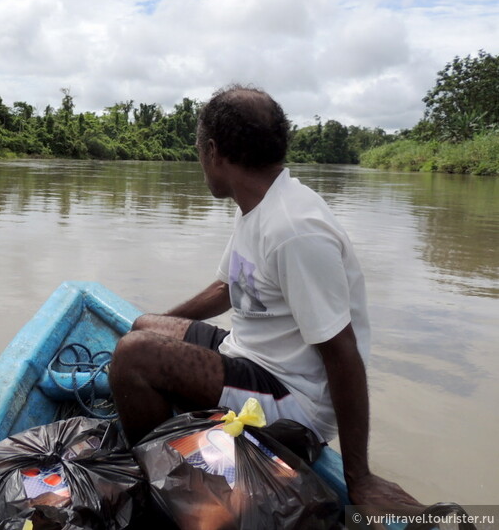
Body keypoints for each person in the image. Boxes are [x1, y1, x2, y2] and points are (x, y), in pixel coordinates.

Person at [108, 84, 420, 508]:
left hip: (293, 397)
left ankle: (172, 497)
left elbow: (343, 353)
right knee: (144, 328)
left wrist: (359, 477)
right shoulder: (257, 205)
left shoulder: (295, 229)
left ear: (214, 151)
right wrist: (157, 325)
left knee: (134, 356)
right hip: (250, 357)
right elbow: (226, 288)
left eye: (199, 150)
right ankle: (184, 442)